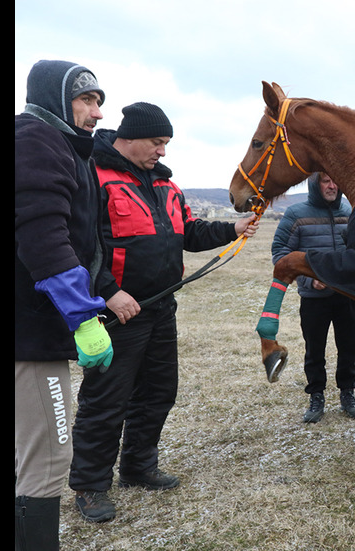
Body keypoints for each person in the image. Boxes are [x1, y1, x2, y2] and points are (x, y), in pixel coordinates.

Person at [68, 102, 259, 522]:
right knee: (105, 401)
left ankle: (137, 468)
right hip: (115, 313)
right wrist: (109, 292)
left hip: (161, 310)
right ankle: (89, 486)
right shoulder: (93, 178)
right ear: (130, 137)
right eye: (157, 142)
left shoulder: (167, 187)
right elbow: (80, 248)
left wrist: (233, 229)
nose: (163, 152)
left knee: (158, 393)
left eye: (166, 143)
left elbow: (187, 233)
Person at [16, 59, 112, 551]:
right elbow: (43, 236)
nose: (95, 111)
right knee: (48, 460)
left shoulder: (64, 148)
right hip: (29, 338)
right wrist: (83, 314)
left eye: (98, 101)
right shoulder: (35, 138)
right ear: (55, 97)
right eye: (86, 99)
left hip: (33, 331)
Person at [272, 172, 355, 423]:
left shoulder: (348, 210)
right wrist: (307, 278)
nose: (332, 185)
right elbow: (281, 253)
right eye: (325, 180)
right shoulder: (296, 214)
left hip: (346, 295)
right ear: (315, 184)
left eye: (335, 180)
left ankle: (347, 393)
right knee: (315, 349)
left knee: (349, 347)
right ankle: (316, 395)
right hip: (313, 297)